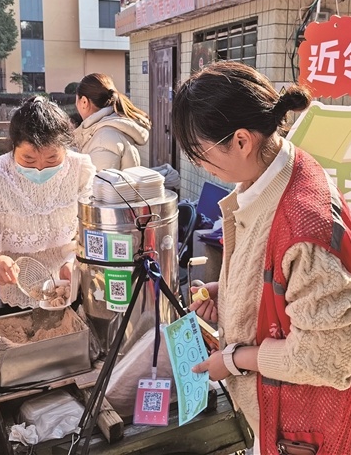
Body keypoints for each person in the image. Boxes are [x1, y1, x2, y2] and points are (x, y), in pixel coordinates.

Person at [172, 60, 351, 455]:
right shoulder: (277, 172)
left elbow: (327, 359)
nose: (198, 165)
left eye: (200, 154)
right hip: (274, 416)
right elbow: (281, 284)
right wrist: (231, 293)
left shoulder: (303, 225)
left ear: (241, 141)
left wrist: (233, 360)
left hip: (303, 431)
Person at [0, 96, 96, 313]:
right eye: (28, 160)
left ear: (66, 149)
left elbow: (91, 226)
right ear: (13, 147)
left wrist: (74, 261)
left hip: (70, 283)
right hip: (17, 288)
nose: (40, 168)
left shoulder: (79, 169)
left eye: (52, 159)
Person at [74, 73, 151, 171]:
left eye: (76, 100)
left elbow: (98, 179)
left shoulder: (104, 138)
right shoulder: (107, 129)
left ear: (84, 102)